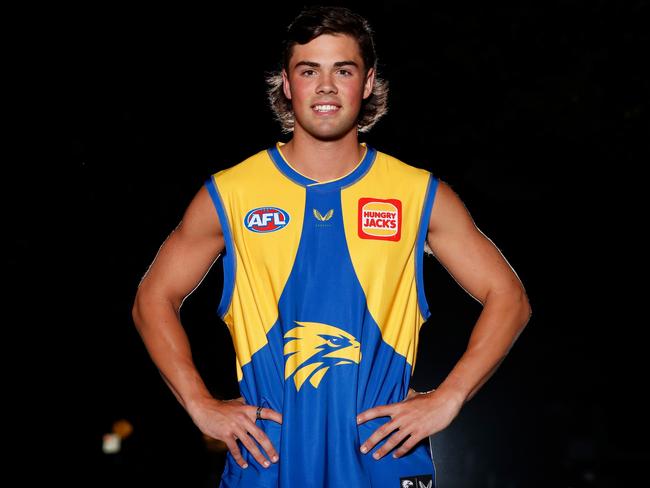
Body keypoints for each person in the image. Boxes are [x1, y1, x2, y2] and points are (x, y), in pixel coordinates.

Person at [132, 6, 532, 488]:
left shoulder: (417, 193)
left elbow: (509, 297)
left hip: (382, 458)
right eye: (308, 70)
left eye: (343, 70)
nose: (325, 86)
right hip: (267, 461)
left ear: (367, 83)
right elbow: (152, 299)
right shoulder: (231, 193)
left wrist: (450, 397)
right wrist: (199, 404)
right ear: (286, 83)